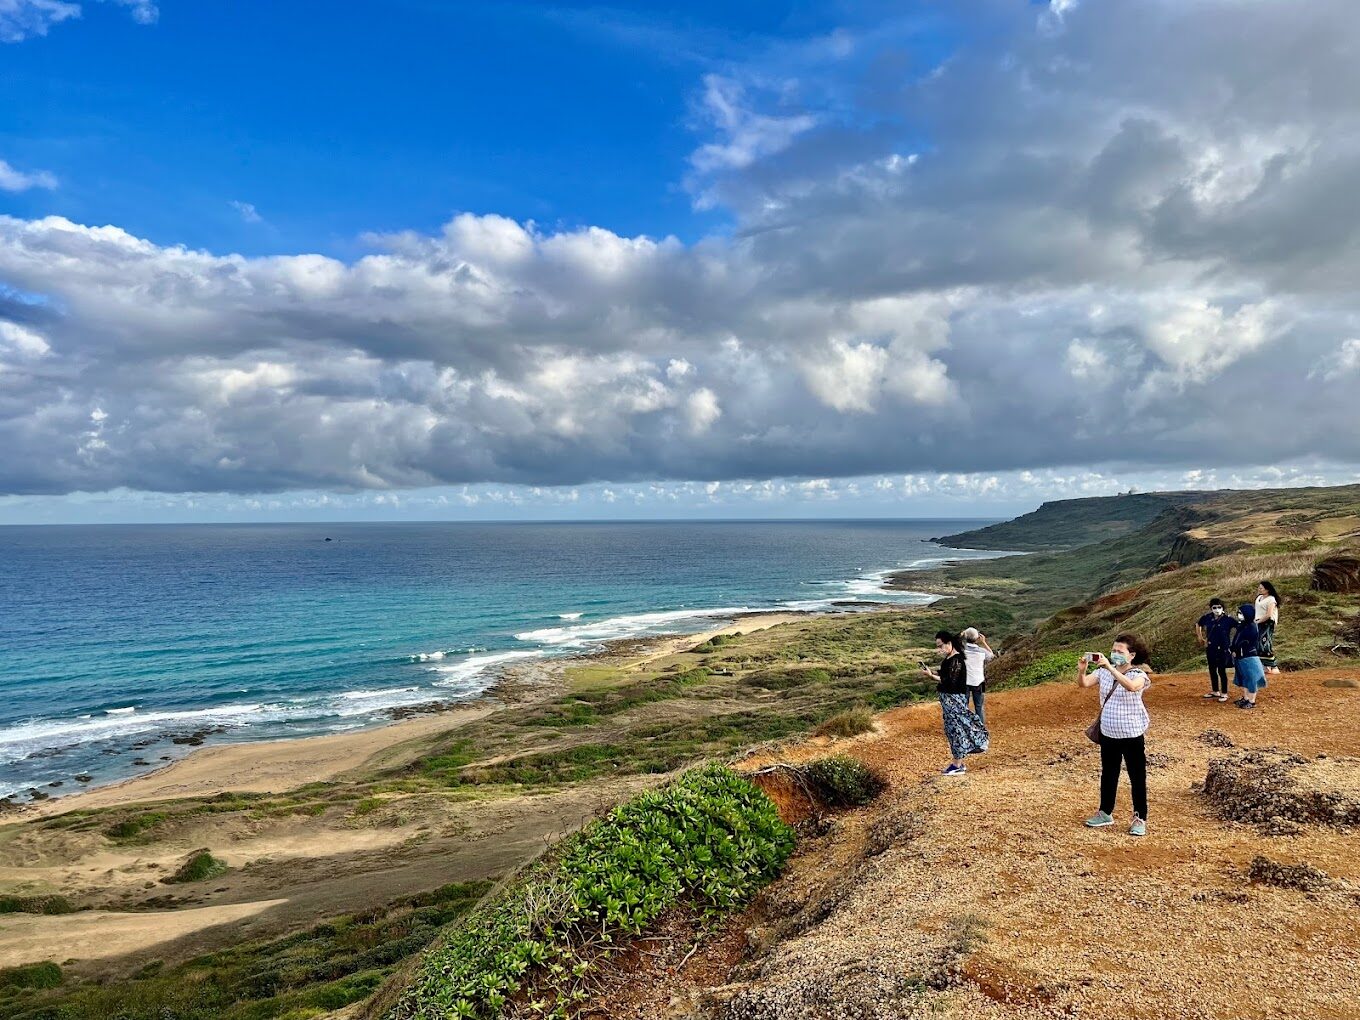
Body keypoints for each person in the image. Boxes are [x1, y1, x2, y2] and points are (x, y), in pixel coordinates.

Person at [1078, 634, 1152, 837]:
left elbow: (1131, 687)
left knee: (1137, 776)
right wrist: (1082, 671)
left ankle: (1139, 817)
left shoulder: (1139, 675)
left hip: (1131, 733)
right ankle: (1105, 812)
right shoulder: (1103, 672)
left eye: (1120, 651)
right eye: (1114, 650)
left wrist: (1110, 668)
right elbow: (1084, 684)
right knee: (1109, 773)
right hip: (1109, 732)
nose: (1115, 654)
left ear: (1132, 655)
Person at [920, 630, 988, 776]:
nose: (939, 649)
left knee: (956, 730)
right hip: (950, 700)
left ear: (949, 643)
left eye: (940, 645)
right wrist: (933, 673)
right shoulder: (950, 658)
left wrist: (931, 676)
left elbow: (949, 681)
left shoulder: (956, 660)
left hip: (953, 699)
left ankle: (958, 764)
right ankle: (959, 762)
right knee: (954, 729)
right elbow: (945, 675)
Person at [1195, 598, 1235, 702]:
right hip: (1211, 646)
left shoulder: (1228, 619)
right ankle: (1215, 690)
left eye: (1219, 607)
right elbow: (1198, 624)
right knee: (1212, 669)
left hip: (1223, 648)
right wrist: (1200, 637)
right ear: (1211, 608)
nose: (1217, 609)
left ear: (1223, 608)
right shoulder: (1207, 617)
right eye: (1214, 607)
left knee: (1222, 670)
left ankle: (1224, 693)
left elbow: (1239, 627)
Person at [1232, 602, 1267, 709]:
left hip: (1248, 656)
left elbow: (1244, 642)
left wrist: (1236, 649)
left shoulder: (1251, 627)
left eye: (1241, 613)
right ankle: (1246, 698)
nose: (1239, 615)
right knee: (1245, 678)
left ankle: (1251, 701)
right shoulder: (1243, 625)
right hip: (1241, 656)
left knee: (1251, 678)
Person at [960, 626, 995, 726]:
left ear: (965, 638)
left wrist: (962, 635)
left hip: (965, 682)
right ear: (977, 638)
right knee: (979, 706)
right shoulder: (981, 652)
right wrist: (983, 642)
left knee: (964, 706)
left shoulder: (961, 651)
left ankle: (965, 726)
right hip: (978, 681)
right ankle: (980, 727)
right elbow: (991, 656)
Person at [1255, 581, 1281, 675]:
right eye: (1259, 588)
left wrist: (1259, 621)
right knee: (1258, 644)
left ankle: (1273, 666)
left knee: (1265, 644)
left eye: (1261, 588)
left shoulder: (1271, 600)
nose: (1259, 589)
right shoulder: (1259, 598)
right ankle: (1265, 667)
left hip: (1267, 623)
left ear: (1267, 589)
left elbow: (1269, 614)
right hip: (1258, 621)